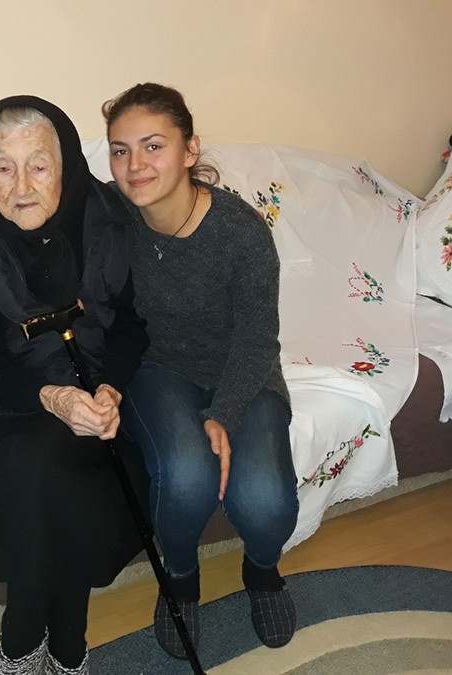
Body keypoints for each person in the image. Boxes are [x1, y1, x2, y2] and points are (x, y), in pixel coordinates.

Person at [0, 95, 149, 675]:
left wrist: (110, 390)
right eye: (4, 167)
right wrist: (51, 397)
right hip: (11, 405)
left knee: (57, 473)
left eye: (39, 165)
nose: (21, 186)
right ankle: (59, 641)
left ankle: (25, 644)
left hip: (98, 401)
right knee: (41, 470)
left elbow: (132, 327)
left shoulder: (111, 220)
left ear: (68, 166)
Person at [103, 83, 300, 658]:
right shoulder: (111, 217)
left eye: (153, 146)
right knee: (187, 477)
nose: (135, 166)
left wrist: (223, 413)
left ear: (190, 150)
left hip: (243, 370)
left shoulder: (240, 231)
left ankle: (262, 571)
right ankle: (181, 582)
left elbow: (258, 339)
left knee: (265, 502)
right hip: (157, 368)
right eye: (120, 150)